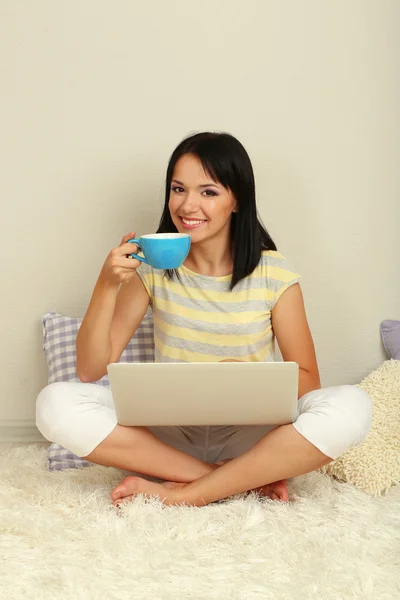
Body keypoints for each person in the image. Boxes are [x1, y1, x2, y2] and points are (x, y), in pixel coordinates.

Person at [36, 132, 372, 507]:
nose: (188, 205)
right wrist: (106, 284)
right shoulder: (153, 271)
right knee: (54, 403)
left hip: (251, 436)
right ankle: (231, 481)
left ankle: (183, 494)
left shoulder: (273, 272)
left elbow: (310, 382)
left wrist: (241, 378)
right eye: (178, 189)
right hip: (167, 436)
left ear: (236, 201)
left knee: (354, 405)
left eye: (208, 192)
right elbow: (89, 368)